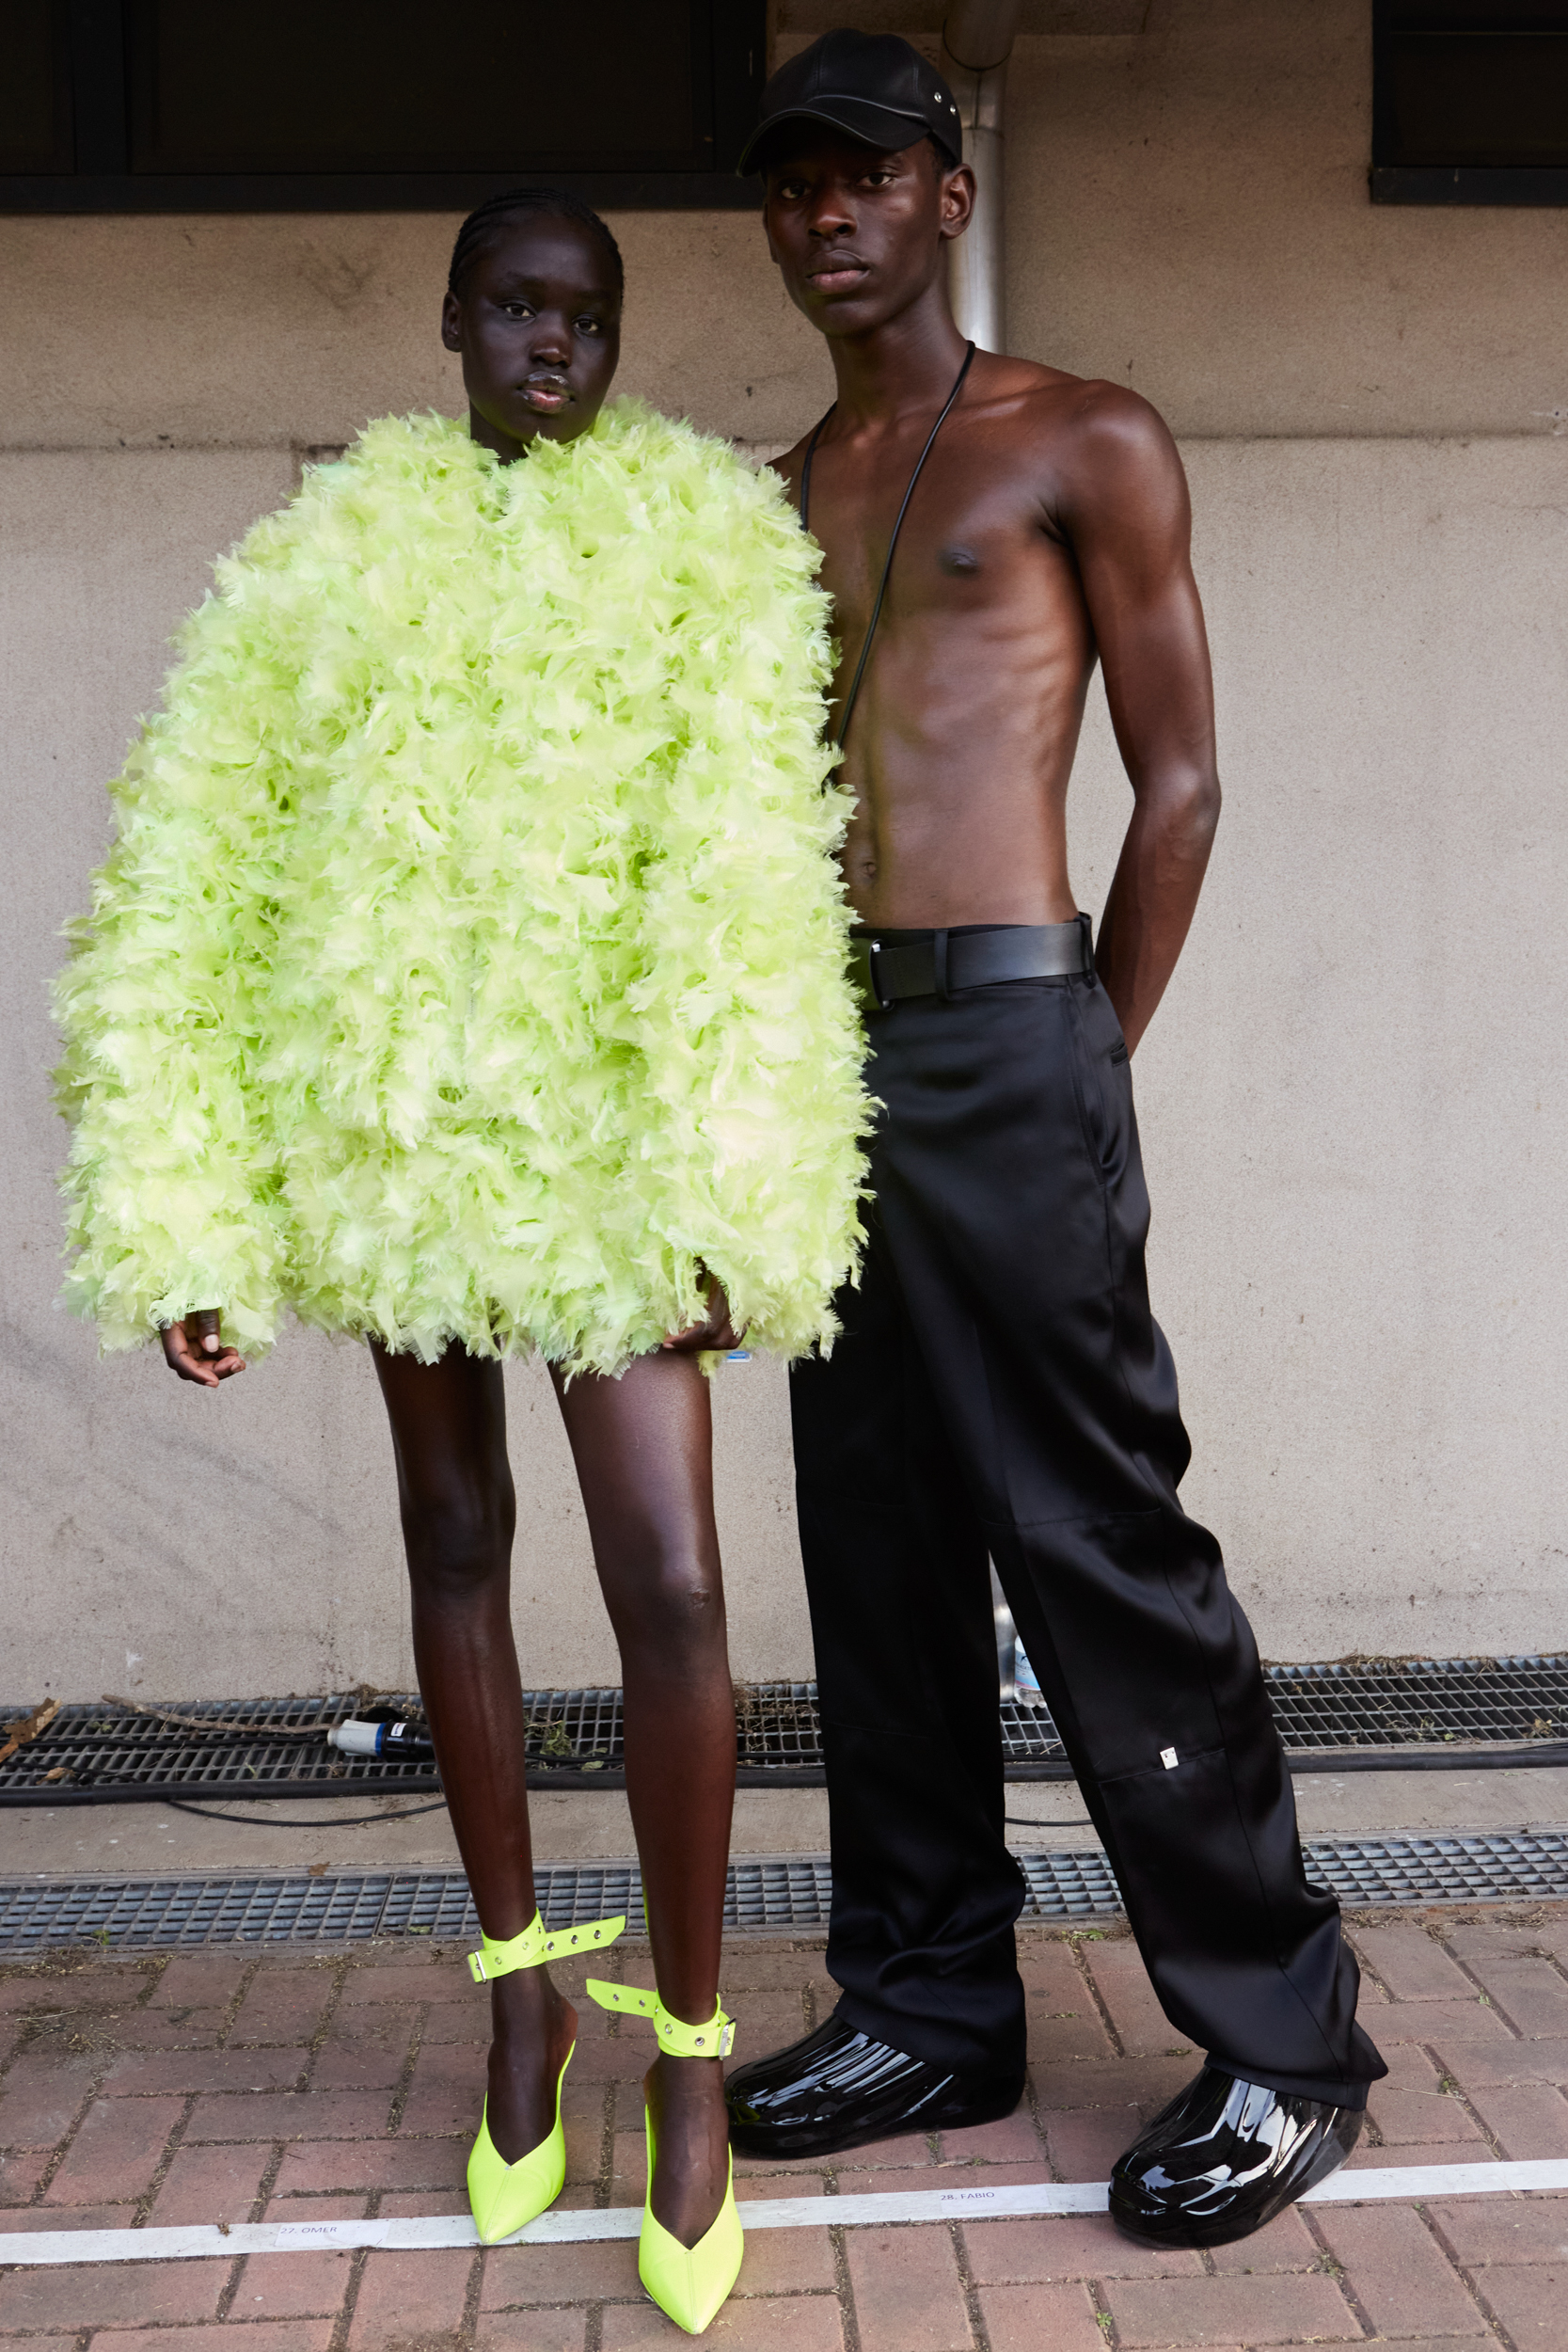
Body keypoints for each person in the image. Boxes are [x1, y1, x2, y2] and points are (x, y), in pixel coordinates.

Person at [55, 185, 866, 2335]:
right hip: (400, 1141)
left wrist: (735, 1191)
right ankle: (525, 1999)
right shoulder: (329, 552)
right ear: (449, 319)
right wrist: (182, 1208)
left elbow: (756, 872)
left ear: (617, 335)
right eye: (514, 305)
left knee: (674, 1580)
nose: (550, 342)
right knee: (452, 1539)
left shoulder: (707, 541)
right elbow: (195, 859)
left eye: (583, 313)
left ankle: (688, 2051)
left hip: (611, 1151)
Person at [721, 32, 1386, 2250]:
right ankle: (929, 2001)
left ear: (942, 185)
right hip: (824, 1063)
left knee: (1097, 1535)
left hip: (1014, 1030)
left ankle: (1285, 2034)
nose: (828, 215)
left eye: (863, 178)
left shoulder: (1081, 433)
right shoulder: (775, 479)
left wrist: (1087, 1042)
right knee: (878, 1542)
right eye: (791, 186)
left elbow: (1179, 780)